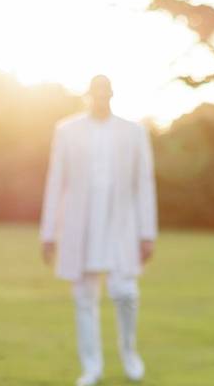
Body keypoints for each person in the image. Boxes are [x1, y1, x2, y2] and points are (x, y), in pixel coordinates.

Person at [39, 75, 158, 386]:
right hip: (81, 227)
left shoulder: (134, 132)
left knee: (125, 293)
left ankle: (129, 353)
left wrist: (148, 232)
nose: (101, 97)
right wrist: (48, 232)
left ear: (112, 94)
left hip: (122, 226)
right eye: (96, 92)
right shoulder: (66, 130)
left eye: (106, 92)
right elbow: (56, 182)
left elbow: (143, 183)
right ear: (89, 94)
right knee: (84, 298)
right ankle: (91, 367)